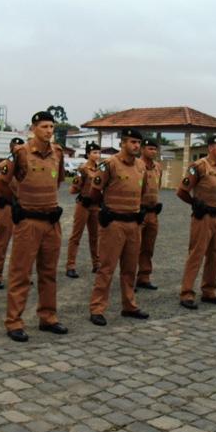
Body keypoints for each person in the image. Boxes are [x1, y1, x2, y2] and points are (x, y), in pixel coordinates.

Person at [0, 111, 68, 342]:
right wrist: (17, 202)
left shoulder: (58, 153)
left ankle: (48, 317)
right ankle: (14, 322)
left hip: (51, 222)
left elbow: (58, 181)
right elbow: (1, 183)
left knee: (49, 273)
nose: (49, 131)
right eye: (44, 126)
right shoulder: (21, 153)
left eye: (51, 127)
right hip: (28, 222)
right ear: (33, 128)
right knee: (21, 274)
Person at [87, 129, 149, 326]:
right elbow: (94, 191)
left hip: (133, 223)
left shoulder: (141, 166)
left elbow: (143, 191)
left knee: (130, 268)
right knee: (106, 268)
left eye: (138, 143)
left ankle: (129, 306)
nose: (136, 146)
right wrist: (104, 211)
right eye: (132, 142)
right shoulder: (110, 164)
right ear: (122, 143)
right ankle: (97, 308)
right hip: (114, 223)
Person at [176, 134, 216, 310]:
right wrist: (194, 203)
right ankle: (187, 293)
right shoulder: (199, 166)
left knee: (215, 254)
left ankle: (209, 291)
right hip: (203, 217)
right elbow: (182, 191)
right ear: (210, 148)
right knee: (196, 254)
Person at [0, 137, 25, 289]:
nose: (18, 150)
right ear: (11, 149)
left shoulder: (27, 167)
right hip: (7, 208)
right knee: (2, 242)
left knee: (24, 244)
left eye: (21, 147)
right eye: (16, 147)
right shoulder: (2, 166)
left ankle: (22, 276)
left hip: (24, 209)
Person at [65, 142, 101, 278]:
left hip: (95, 205)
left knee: (95, 236)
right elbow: (73, 188)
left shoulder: (100, 169)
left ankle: (96, 264)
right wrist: (82, 193)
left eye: (98, 152)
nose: (97, 155)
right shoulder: (83, 169)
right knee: (76, 235)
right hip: (83, 205)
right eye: (94, 153)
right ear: (88, 154)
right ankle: (70, 265)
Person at [136, 139, 163, 290]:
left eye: (155, 149)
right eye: (150, 148)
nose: (153, 151)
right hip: (139, 212)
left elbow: (157, 187)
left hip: (153, 212)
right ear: (142, 150)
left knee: (148, 247)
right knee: (134, 247)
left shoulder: (158, 167)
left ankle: (144, 277)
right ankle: (129, 278)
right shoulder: (137, 166)